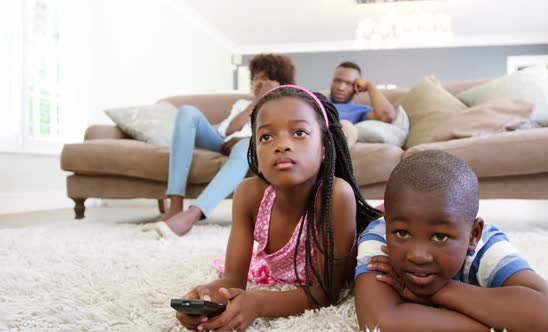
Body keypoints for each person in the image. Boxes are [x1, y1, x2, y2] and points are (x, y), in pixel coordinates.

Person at [175, 85, 381, 331]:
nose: (282, 144)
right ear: (256, 156)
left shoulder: (335, 196)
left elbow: (325, 293)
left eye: (300, 132)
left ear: (325, 147)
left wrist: (258, 303)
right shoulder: (248, 194)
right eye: (266, 137)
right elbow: (233, 279)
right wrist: (205, 297)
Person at [354, 150, 548, 332]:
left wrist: (439, 292)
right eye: (402, 234)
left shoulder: (486, 246)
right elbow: (378, 322)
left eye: (439, 237)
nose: (417, 254)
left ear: (473, 235)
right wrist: (489, 326)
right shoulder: (379, 237)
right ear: (388, 222)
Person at [143, 54, 296, 237]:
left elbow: (274, 135)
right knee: (187, 112)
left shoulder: (283, 106)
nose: (257, 83)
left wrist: (250, 131)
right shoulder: (243, 104)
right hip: (222, 142)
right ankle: (175, 205)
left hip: (248, 145)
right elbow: (230, 130)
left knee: (245, 144)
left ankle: (193, 214)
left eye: (263, 79)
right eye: (255, 78)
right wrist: (256, 103)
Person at [329, 61, 396, 124]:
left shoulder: (360, 110)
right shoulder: (319, 102)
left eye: (349, 83)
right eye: (337, 81)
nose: (341, 88)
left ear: (357, 87)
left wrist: (369, 86)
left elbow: (387, 116)